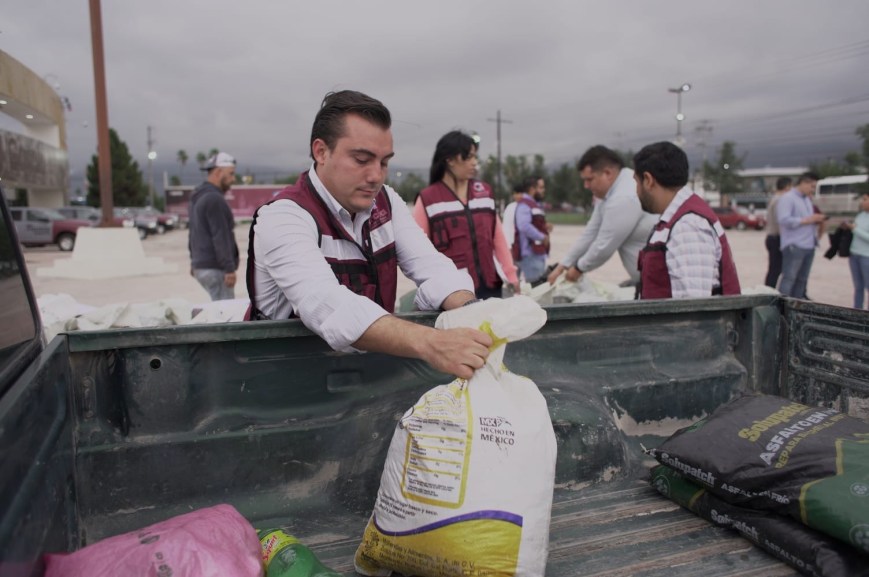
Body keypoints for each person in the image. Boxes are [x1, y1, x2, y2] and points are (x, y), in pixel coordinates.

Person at [246, 90, 491, 379]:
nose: (376, 176)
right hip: (286, 381)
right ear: (321, 151)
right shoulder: (284, 216)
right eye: (362, 160)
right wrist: (432, 343)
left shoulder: (385, 202)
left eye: (384, 162)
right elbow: (328, 305)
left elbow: (431, 265)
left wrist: (473, 310)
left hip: (366, 376)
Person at [413, 131, 519, 299]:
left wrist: (511, 275)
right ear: (449, 160)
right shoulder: (428, 199)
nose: (474, 163)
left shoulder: (484, 192)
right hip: (453, 292)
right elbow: (416, 251)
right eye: (468, 157)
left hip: (490, 285)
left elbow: (498, 238)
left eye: (475, 157)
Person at [633, 141, 741, 299]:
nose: (636, 190)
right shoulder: (677, 219)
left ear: (648, 180)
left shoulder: (688, 225)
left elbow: (692, 310)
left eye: (636, 182)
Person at [547, 145, 657, 286]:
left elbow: (604, 245)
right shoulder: (608, 195)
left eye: (589, 179)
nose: (586, 185)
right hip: (645, 279)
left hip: (658, 282)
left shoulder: (623, 196)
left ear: (608, 173)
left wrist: (578, 269)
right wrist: (563, 265)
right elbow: (591, 232)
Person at [188, 151, 240, 301]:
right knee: (226, 316)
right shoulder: (214, 199)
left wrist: (194, 261)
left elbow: (193, 232)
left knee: (217, 312)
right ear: (218, 172)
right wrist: (229, 269)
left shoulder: (197, 196)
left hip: (201, 266)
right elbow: (221, 236)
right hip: (216, 268)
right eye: (230, 174)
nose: (233, 179)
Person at [776, 171, 825, 299]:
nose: (813, 190)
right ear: (804, 183)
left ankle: (797, 307)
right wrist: (807, 220)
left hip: (809, 244)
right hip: (795, 245)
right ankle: (781, 309)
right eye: (812, 186)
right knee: (789, 278)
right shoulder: (788, 198)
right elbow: (783, 220)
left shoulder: (807, 199)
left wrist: (816, 219)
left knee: (802, 280)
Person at [512, 175, 552, 284]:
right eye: (541, 187)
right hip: (531, 254)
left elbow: (533, 223)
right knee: (537, 290)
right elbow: (524, 226)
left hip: (536, 254)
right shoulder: (525, 204)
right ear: (532, 189)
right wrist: (542, 237)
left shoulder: (533, 204)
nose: (543, 190)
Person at [842, 192, 869, 308]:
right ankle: (857, 310)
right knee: (858, 286)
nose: (861, 202)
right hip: (855, 255)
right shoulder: (861, 215)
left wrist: (855, 228)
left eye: (865, 199)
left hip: (866, 256)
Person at [763, 176, 792, 288]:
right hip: (776, 238)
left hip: (772, 237)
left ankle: (768, 291)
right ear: (787, 186)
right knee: (775, 270)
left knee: (774, 269)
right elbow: (781, 221)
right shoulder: (780, 200)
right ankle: (768, 293)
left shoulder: (774, 198)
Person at [500, 182, 524, 252]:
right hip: (511, 244)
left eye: (521, 193)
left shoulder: (527, 207)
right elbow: (506, 227)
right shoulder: (510, 207)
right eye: (516, 193)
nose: (518, 196)